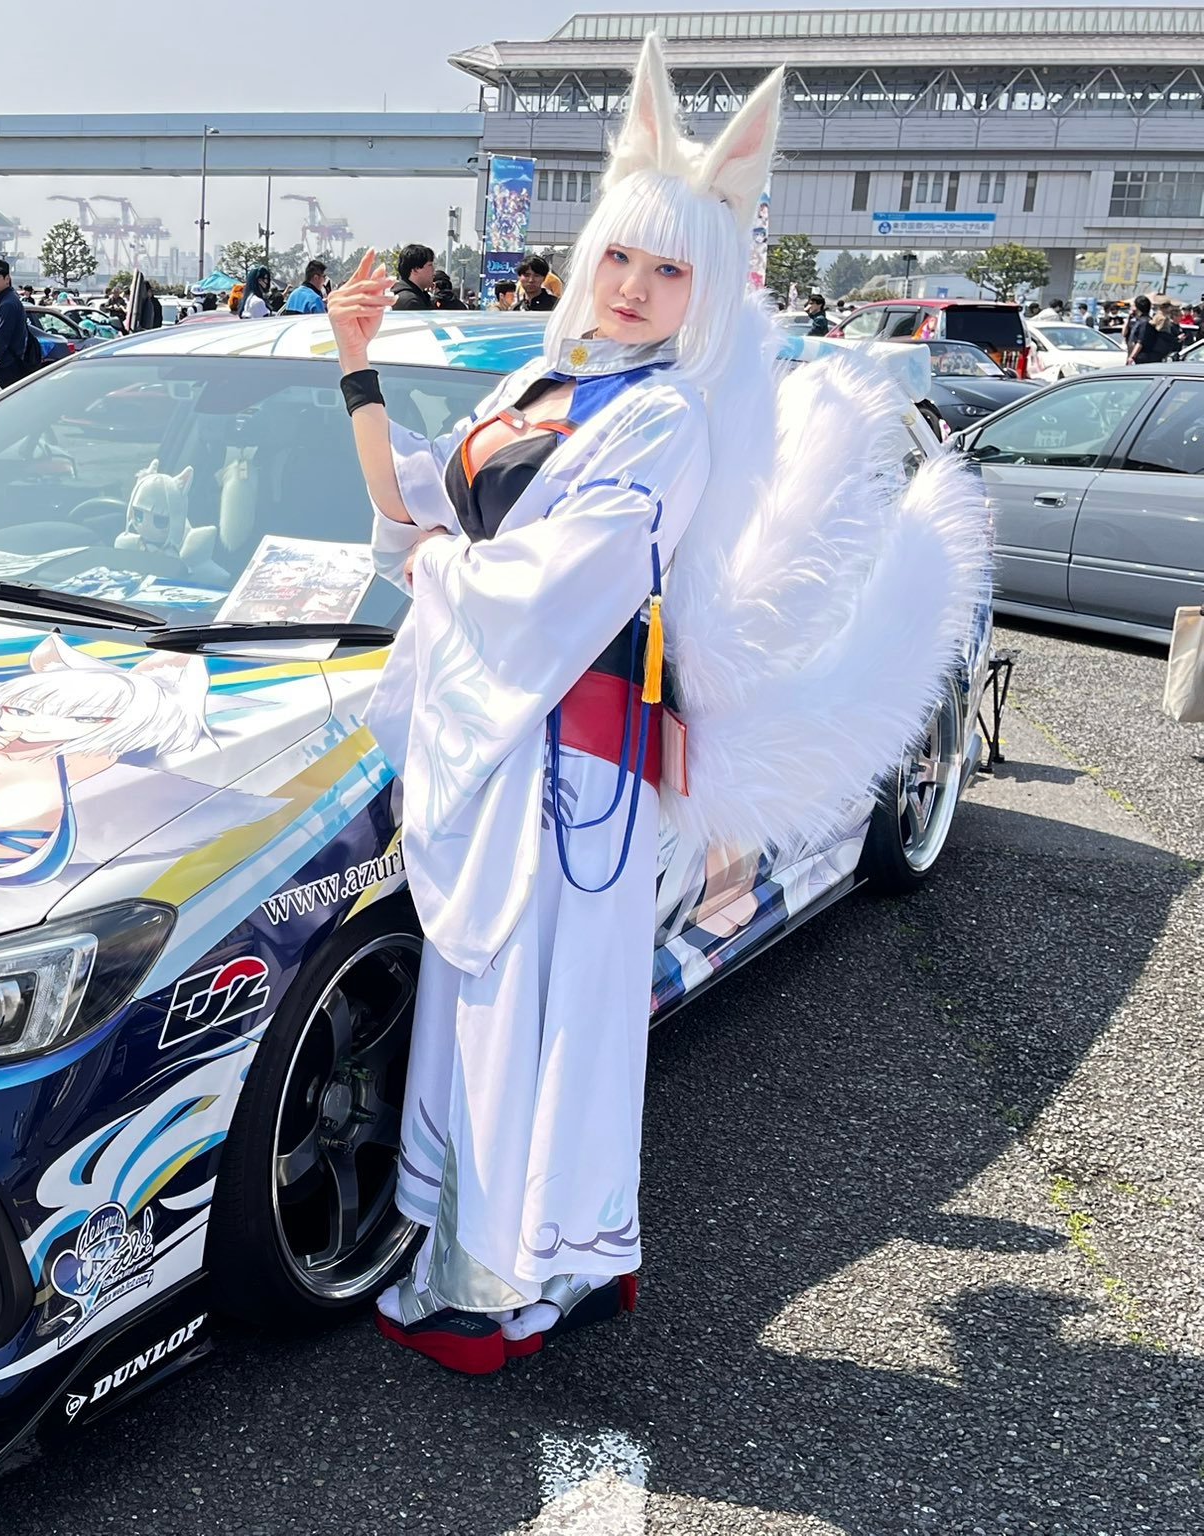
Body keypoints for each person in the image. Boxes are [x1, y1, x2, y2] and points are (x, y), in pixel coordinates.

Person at [321, 32, 987, 1375]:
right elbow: (417, 507)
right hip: (496, 734)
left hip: (573, 758)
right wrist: (354, 365)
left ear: (710, 287)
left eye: (667, 269)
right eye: (619, 255)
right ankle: (471, 1253)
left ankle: (514, 1280)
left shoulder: (667, 419)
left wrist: (444, 566)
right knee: (481, 1001)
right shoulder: (543, 382)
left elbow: (563, 583)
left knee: (541, 1012)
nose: (631, 286)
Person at [0, 256, 38, 386]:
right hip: (9, 366)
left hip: (6, 369)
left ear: (7, 279)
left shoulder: (8, 304)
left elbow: (0, 340)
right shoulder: (10, 299)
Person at [390, 244, 436, 310]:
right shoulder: (411, 302)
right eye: (430, 265)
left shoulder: (417, 297)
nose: (433, 270)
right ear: (415, 270)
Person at [1125, 294, 1164, 364]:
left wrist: (1132, 357)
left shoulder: (1145, 322)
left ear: (1137, 307)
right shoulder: (1138, 321)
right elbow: (1124, 333)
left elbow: (1140, 342)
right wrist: (1128, 317)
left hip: (1142, 358)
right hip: (1137, 356)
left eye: (1133, 305)